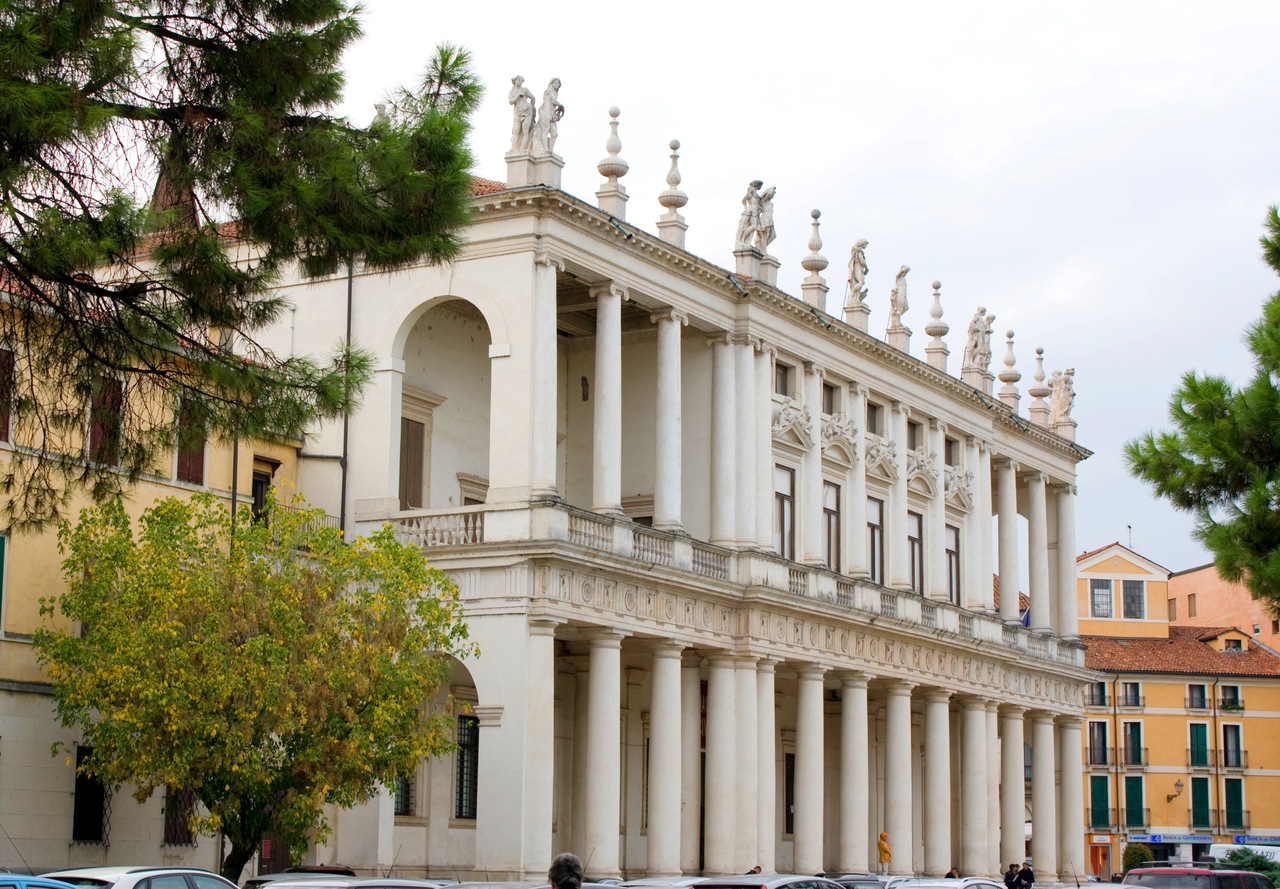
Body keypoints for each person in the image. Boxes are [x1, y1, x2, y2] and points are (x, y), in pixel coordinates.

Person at [535, 78, 564, 154]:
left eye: (558, 83)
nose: (556, 84)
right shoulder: (548, 90)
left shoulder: (556, 93)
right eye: (555, 83)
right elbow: (551, 100)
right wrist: (560, 105)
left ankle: (550, 150)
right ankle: (545, 149)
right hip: (545, 112)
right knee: (545, 131)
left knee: (554, 134)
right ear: (551, 83)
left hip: (552, 114)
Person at [509, 76, 536, 151]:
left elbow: (533, 98)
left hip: (526, 112)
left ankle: (522, 149)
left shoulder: (525, 90)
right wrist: (518, 95)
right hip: (517, 112)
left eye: (521, 80)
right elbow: (511, 102)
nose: (520, 81)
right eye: (519, 80)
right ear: (514, 81)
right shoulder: (511, 92)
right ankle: (513, 148)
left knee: (525, 130)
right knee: (516, 130)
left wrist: (531, 106)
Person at [735, 180, 763, 250]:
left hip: (755, 211)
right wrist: (746, 208)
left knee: (754, 227)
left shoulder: (756, 194)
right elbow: (744, 200)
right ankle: (743, 240)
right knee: (753, 226)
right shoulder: (751, 190)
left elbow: (756, 203)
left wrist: (760, 208)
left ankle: (747, 242)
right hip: (751, 210)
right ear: (758, 185)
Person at [754, 186, 777, 254]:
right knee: (764, 236)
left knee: (773, 236)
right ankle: (763, 251)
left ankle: (760, 247)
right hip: (764, 219)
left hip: (770, 219)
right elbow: (763, 196)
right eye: (773, 193)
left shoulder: (771, 204)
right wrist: (771, 188)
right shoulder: (763, 202)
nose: (773, 195)